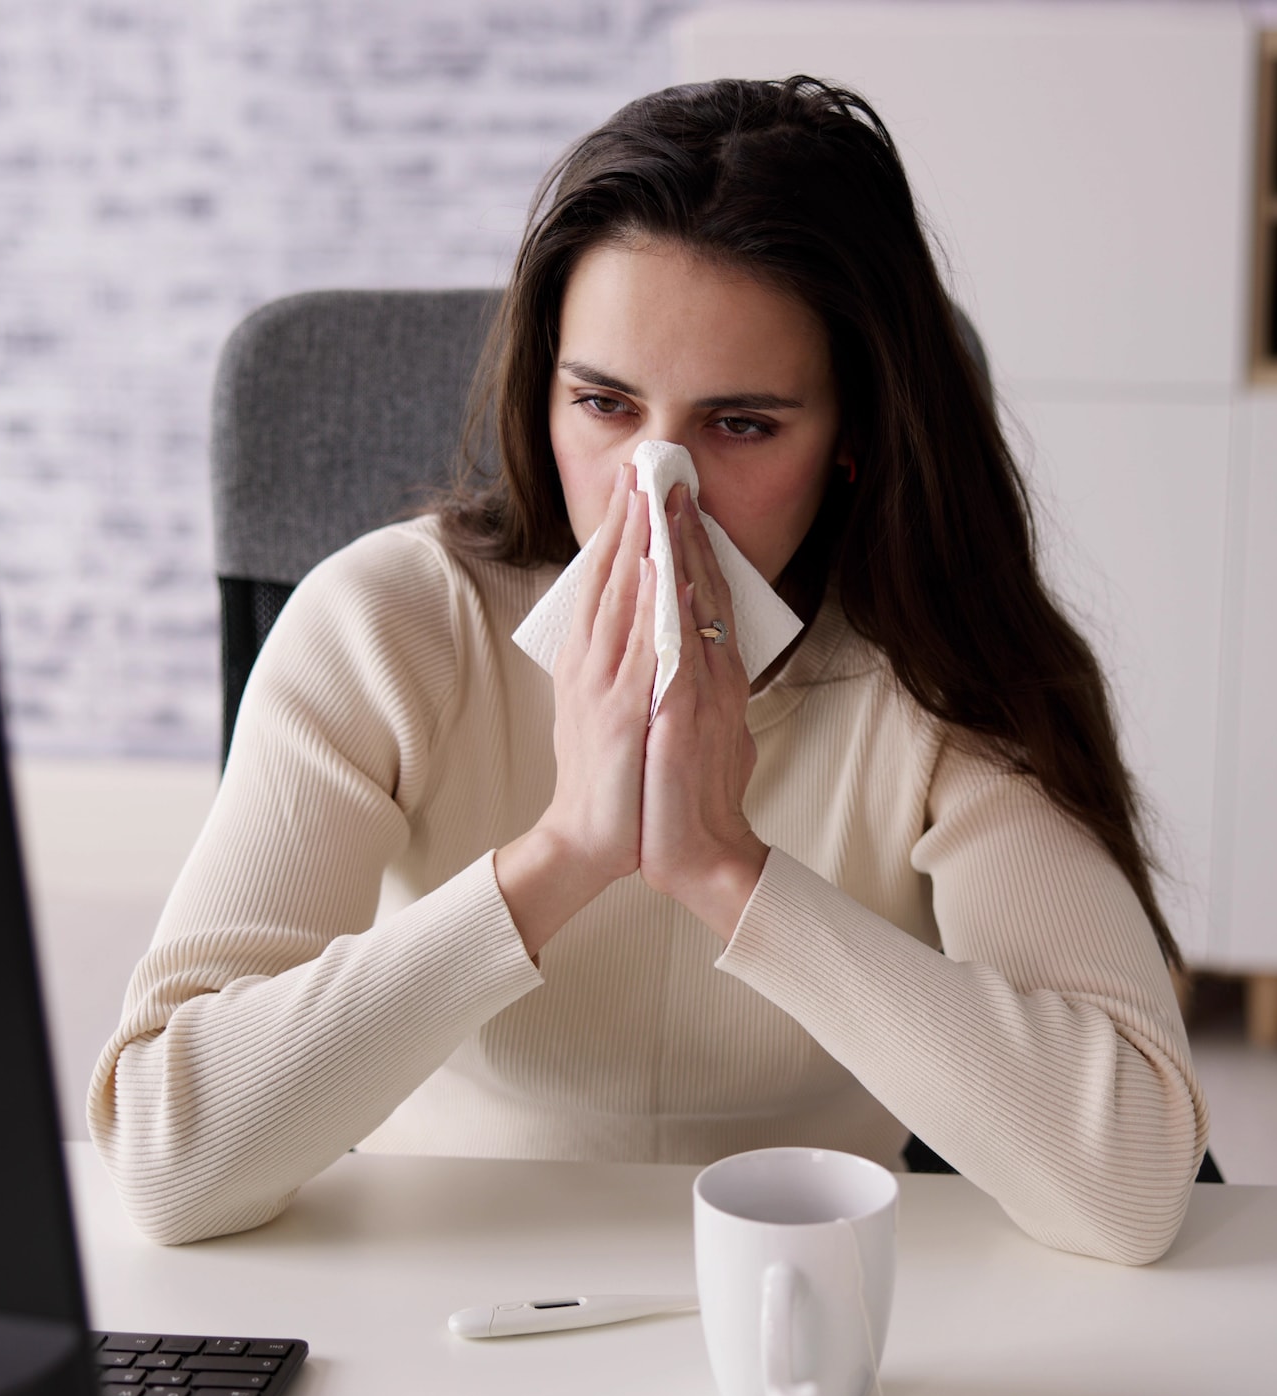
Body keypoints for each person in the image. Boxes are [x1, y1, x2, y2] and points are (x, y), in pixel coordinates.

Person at [89, 76, 1209, 1262]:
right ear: (544, 396)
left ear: (853, 442)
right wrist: (565, 851)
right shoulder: (387, 625)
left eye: (741, 425)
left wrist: (724, 867)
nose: (651, 489)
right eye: (604, 404)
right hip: (434, 1285)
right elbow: (170, 1161)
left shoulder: (944, 665)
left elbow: (1132, 1185)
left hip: (813, 1291)